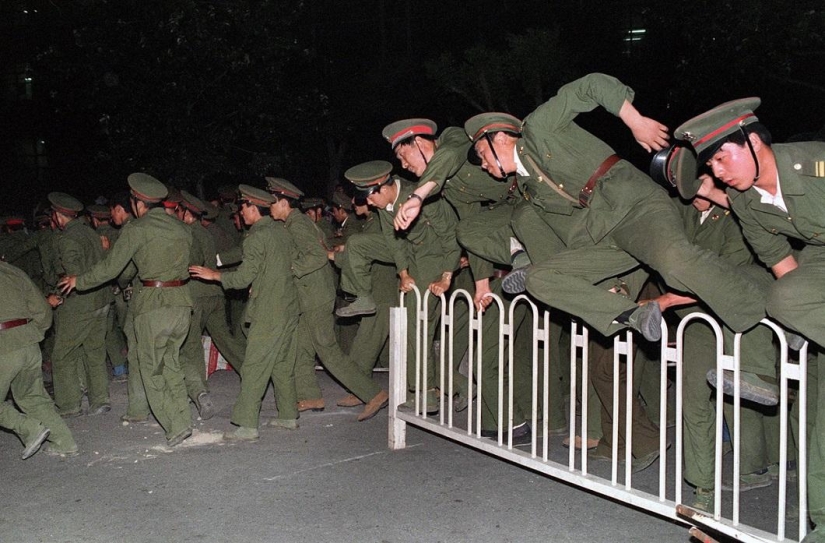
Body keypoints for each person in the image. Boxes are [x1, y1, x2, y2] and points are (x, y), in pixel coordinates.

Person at [463, 73, 768, 355]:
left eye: (482, 155)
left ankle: (767, 297)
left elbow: (591, 85)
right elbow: (562, 232)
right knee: (540, 279)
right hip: (604, 236)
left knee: (674, 264)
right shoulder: (529, 187)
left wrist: (635, 121)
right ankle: (631, 314)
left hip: (634, 206)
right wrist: (602, 285)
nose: (484, 166)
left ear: (500, 139)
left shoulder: (539, 128)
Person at [674, 98, 825, 541]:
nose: (718, 171)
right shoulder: (744, 202)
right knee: (780, 295)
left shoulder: (817, 164)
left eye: (723, 156)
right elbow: (785, 274)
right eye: (710, 163)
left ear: (755, 141)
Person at [59, 174, 194, 448]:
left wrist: (79, 281)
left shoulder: (137, 229)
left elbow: (113, 268)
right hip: (181, 302)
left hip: (153, 305)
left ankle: (176, 425)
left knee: (149, 368)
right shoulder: (182, 228)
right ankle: (184, 417)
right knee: (171, 364)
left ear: (137, 203)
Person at [340, 160, 461, 414]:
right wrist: (403, 273)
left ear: (382, 189)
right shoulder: (385, 204)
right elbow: (392, 241)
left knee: (418, 325)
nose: (368, 205)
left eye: (369, 199)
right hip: (409, 254)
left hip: (434, 257)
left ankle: (427, 394)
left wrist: (446, 277)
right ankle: (362, 296)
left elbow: (451, 237)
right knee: (357, 244)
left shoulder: (423, 197)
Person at [266, 177, 389, 422]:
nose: (269, 208)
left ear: (282, 203)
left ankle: (373, 393)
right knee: (302, 348)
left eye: (272, 203)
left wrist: (288, 268)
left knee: (327, 350)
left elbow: (317, 257)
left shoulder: (298, 225)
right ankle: (310, 395)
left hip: (316, 296)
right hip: (310, 295)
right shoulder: (295, 223)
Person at [190, 184, 300, 440]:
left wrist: (214, 275)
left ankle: (247, 424)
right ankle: (288, 415)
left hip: (268, 312)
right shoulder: (282, 231)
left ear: (253, 208)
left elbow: (243, 277)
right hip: (288, 307)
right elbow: (283, 265)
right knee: (282, 365)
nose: (240, 212)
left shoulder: (257, 236)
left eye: (243, 207)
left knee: (254, 366)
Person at [178, 190, 246, 419]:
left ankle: (201, 393)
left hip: (196, 295)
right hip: (215, 294)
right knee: (225, 338)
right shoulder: (206, 232)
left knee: (191, 344)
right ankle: (251, 372)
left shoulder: (187, 234)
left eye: (179, 211)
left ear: (187, 213)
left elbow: (190, 264)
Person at [0, 261, 78, 459]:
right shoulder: (12, 270)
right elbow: (42, 309)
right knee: (32, 397)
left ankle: (29, 428)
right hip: (28, 342)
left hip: (4, 347)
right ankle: (64, 441)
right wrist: (35, 334)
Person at [48, 192, 112, 417]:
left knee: (63, 354)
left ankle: (68, 404)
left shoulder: (68, 239)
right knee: (94, 350)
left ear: (58, 215)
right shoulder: (91, 231)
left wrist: (59, 291)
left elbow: (73, 275)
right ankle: (100, 399)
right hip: (102, 299)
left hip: (81, 303)